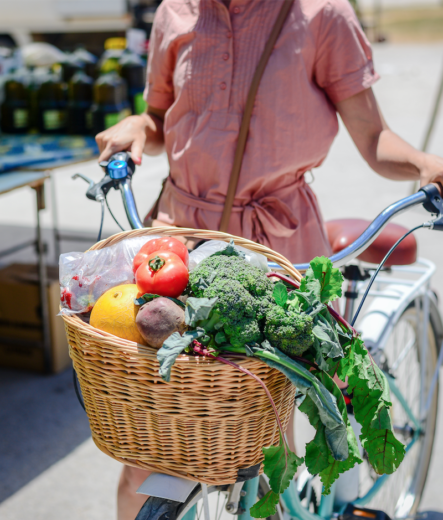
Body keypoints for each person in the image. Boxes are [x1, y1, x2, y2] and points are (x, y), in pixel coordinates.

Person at [96, 1, 443, 518]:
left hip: (276, 247)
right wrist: (137, 126)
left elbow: (373, 138)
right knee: (150, 454)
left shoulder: (323, 15)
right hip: (179, 241)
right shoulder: (177, 11)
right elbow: (161, 118)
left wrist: (424, 164)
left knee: (259, 446)